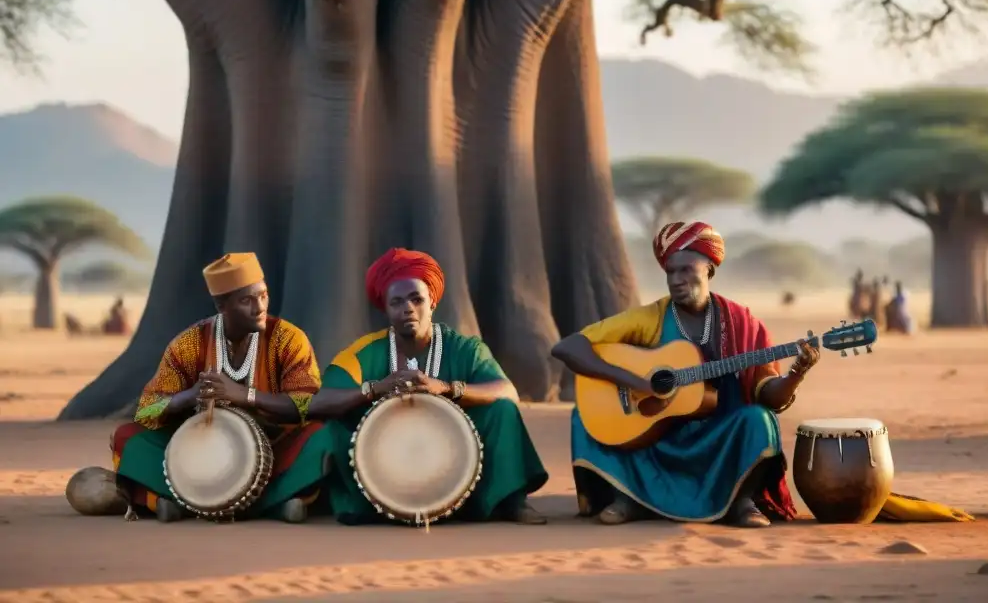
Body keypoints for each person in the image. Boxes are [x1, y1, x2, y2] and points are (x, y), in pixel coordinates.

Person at [552, 221, 820, 529]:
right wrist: (637, 382)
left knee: (759, 420)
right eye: (670, 272)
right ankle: (627, 498)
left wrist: (796, 374)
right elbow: (568, 347)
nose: (676, 280)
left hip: (718, 436)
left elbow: (768, 396)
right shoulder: (649, 318)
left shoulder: (744, 323)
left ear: (708, 268)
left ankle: (741, 501)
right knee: (586, 416)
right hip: (657, 438)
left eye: (685, 270)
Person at [81, 253, 330, 523]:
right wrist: (188, 397)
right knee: (128, 437)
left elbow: (306, 405)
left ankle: (183, 504)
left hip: (276, 448)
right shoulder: (189, 343)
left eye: (263, 295)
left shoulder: (288, 339)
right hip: (201, 456)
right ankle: (274, 505)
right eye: (246, 300)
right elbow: (146, 409)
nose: (259, 307)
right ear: (222, 305)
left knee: (322, 435)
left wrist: (245, 396)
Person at [307, 248, 549, 525]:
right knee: (334, 424)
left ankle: (511, 502)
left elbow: (508, 392)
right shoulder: (363, 353)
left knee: (502, 411)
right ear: (385, 309)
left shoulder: (465, 348)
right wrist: (373, 390)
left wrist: (447, 388)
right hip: (385, 463)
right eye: (396, 302)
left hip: (455, 460)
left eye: (416, 299)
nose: (407, 308)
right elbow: (317, 403)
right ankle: (357, 504)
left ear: (432, 302)